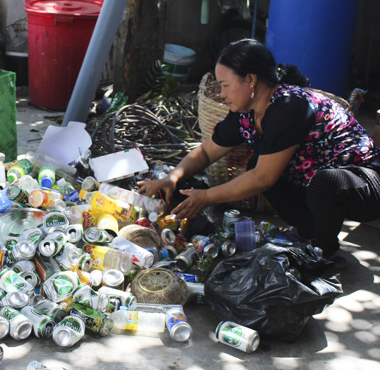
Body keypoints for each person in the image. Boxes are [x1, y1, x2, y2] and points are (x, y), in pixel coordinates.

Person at [138, 38, 380, 262]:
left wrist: (207, 197)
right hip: (315, 188)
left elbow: (264, 179)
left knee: (319, 181)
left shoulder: (288, 105)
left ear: (251, 79)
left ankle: (322, 253)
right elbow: (207, 152)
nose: (222, 95)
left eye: (225, 85)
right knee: (256, 164)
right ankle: (310, 232)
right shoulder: (245, 113)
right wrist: (173, 177)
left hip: (364, 185)